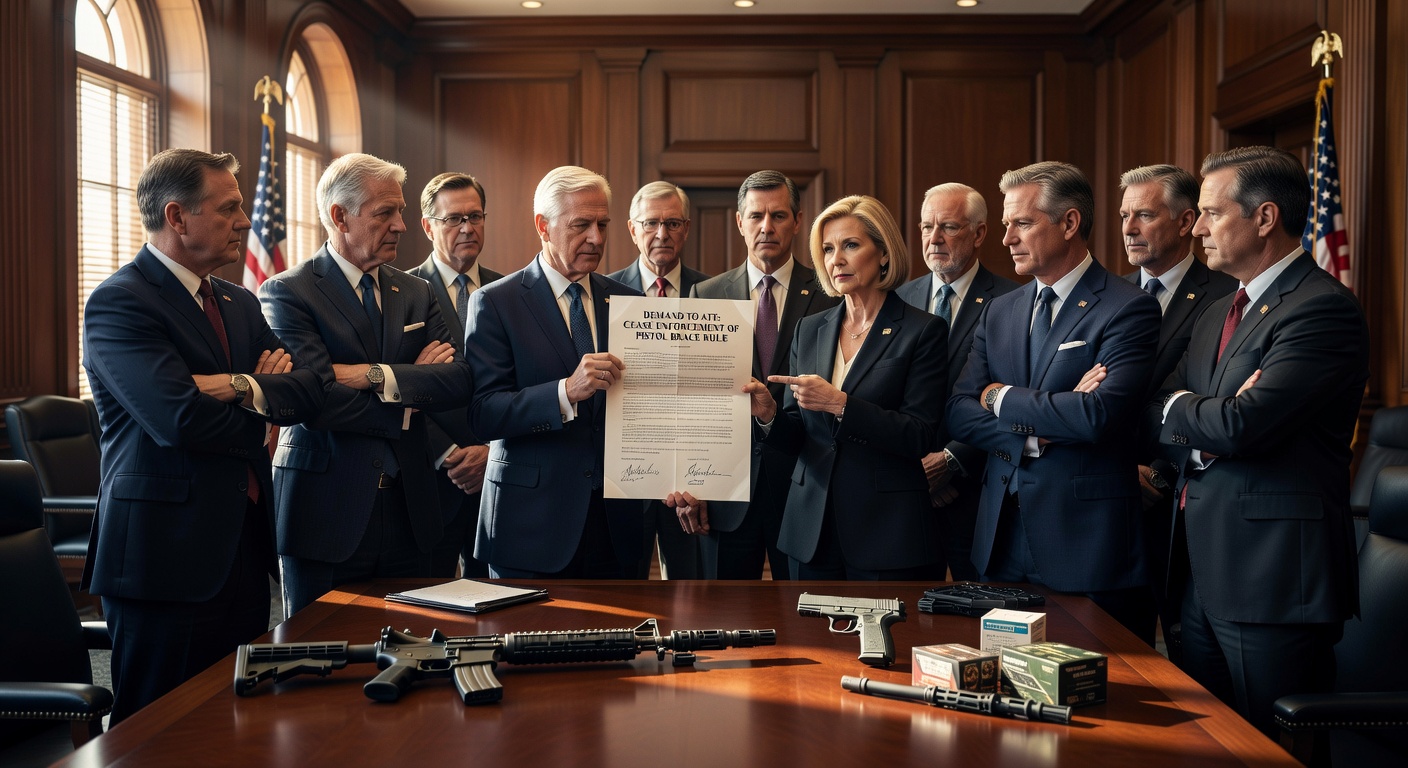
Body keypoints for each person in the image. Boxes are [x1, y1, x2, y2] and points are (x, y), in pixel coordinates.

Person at [82, 148, 323, 724]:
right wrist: (264, 404)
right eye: (229, 208)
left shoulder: (238, 300)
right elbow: (178, 419)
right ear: (176, 216)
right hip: (163, 555)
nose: (245, 221)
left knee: (234, 722)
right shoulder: (120, 301)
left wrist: (235, 386)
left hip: (242, 548)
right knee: (156, 729)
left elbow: (309, 390)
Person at [1155, 145, 1367, 736]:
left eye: (1210, 213)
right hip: (1199, 572)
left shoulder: (1321, 309)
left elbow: (1244, 426)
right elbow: (1158, 409)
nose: (1195, 228)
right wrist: (1200, 413)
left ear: (1265, 218)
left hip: (1273, 584)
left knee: (1277, 751)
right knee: (1209, 743)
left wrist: (1199, 414)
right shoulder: (1217, 310)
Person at [946, 161, 1161, 642]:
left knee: (1096, 703)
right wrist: (1037, 430)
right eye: (1006, 225)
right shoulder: (1000, 311)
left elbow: (1095, 415)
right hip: (999, 544)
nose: (1007, 240)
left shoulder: (1128, 307)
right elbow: (959, 409)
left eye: (1022, 223)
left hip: (1086, 549)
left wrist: (998, 397)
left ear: (1069, 223)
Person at [259, 153, 470, 615]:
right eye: (385, 213)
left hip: (414, 513)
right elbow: (315, 400)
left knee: (420, 650)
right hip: (325, 514)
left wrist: (377, 376)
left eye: (400, 212)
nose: (401, 225)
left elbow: (456, 380)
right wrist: (413, 394)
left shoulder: (417, 291)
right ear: (340, 216)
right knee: (321, 657)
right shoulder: (287, 292)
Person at [736, 195, 948, 579]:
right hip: (810, 533)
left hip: (887, 534)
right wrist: (768, 415)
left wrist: (842, 404)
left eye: (851, 245)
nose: (836, 259)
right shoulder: (810, 328)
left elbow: (921, 435)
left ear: (883, 253)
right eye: (828, 249)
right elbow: (798, 436)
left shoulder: (923, 330)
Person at [465, 166, 649, 579]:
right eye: (581, 225)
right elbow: (483, 413)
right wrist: (565, 392)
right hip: (531, 526)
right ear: (542, 226)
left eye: (602, 224)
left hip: (617, 529)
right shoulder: (495, 302)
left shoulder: (629, 302)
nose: (597, 238)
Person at [688, 170, 840, 579]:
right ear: (740, 222)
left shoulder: (830, 294)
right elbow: (693, 399)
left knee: (804, 622)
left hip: (803, 489)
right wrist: (689, 480)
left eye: (778, 215)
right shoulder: (705, 295)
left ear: (797, 221)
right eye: (756, 216)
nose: (766, 227)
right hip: (725, 493)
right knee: (723, 621)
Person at [1117, 163, 1236, 655]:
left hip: (1180, 504)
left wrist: (1162, 472)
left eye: (1143, 215)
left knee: (1184, 659)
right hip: (1112, 494)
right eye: (1124, 215)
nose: (1127, 228)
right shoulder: (1109, 295)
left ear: (1187, 222)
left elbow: (1214, 404)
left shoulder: (1225, 296)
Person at [896, 182, 1019, 580]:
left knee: (978, 616)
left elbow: (1004, 395)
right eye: (926, 227)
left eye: (948, 226)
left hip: (975, 490)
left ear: (979, 233)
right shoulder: (898, 299)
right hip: (908, 493)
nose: (934, 239)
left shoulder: (1011, 301)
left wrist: (950, 461)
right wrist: (918, 471)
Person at [607, 180, 711, 578]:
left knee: (693, 595)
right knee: (623, 591)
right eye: (650, 223)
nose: (661, 234)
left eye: (672, 223)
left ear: (686, 228)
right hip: (625, 477)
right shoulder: (605, 296)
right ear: (633, 229)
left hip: (694, 483)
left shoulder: (715, 294)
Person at [409, 171, 504, 579]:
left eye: (475, 216)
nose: (467, 227)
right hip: (431, 479)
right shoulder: (403, 292)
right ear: (428, 226)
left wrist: (491, 452)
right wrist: (448, 455)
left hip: (498, 477)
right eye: (453, 219)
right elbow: (401, 388)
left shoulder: (510, 291)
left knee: (499, 606)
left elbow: (519, 384)